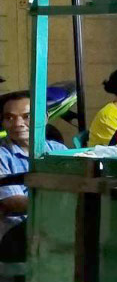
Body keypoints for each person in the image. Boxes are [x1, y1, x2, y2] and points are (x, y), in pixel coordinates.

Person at [0, 91, 68, 262]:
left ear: (44, 118)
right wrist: (61, 206)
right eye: (10, 118)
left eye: (27, 116)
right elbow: (13, 202)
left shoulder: (57, 150)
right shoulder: (2, 155)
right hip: (16, 232)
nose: (18, 124)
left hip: (53, 222)